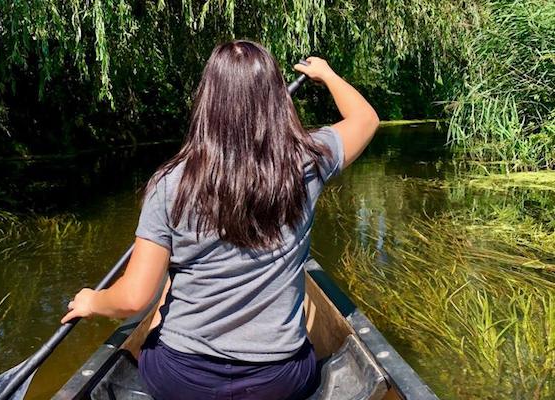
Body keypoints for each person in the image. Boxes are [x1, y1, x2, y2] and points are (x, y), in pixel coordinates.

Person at [61, 40, 379, 400]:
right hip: (279, 380)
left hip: (181, 379)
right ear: (277, 100)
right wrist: (327, 75)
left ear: (208, 102)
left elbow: (133, 300)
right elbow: (366, 119)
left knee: (167, 291)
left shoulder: (168, 184)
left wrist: (93, 300)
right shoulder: (308, 162)